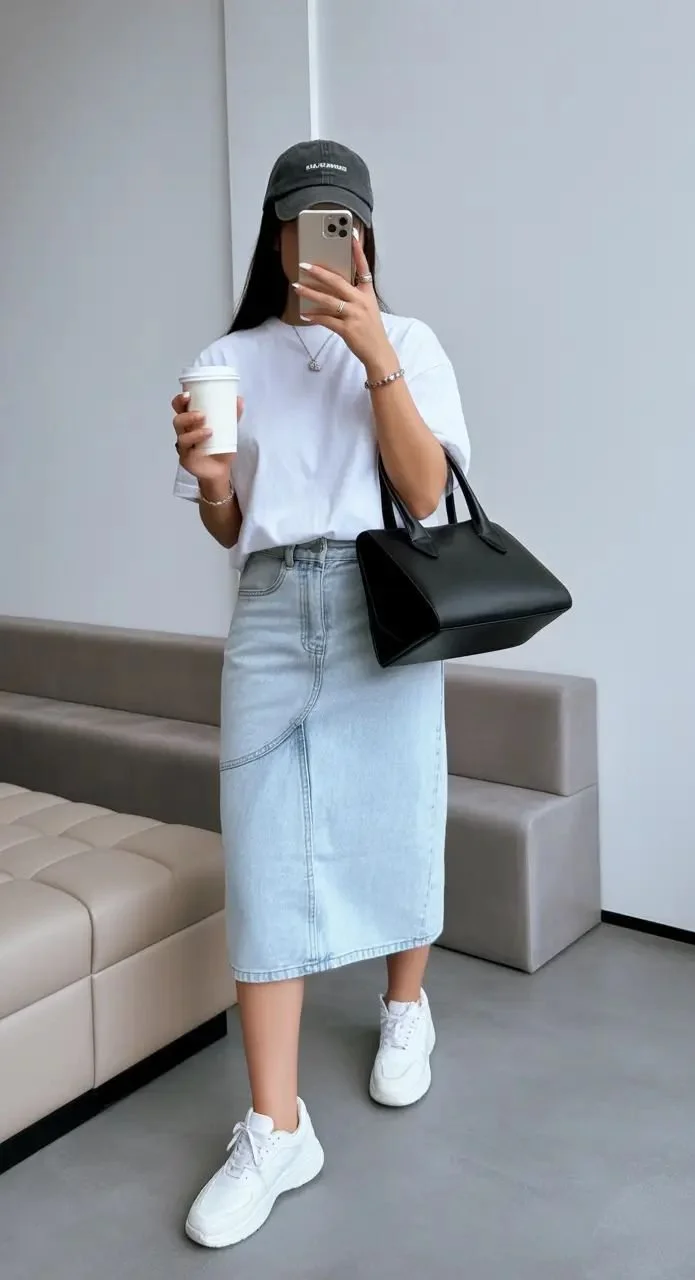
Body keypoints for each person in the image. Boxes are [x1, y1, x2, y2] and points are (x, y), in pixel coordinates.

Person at [172, 139, 470, 1248]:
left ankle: (404, 1006)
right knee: (260, 853)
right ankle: (275, 1124)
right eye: (305, 222)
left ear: (368, 236)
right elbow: (226, 521)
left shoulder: (411, 343)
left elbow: (426, 488)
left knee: (398, 807)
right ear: (275, 234)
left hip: (381, 599)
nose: (322, 241)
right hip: (267, 609)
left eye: (342, 222)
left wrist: (371, 347)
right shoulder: (228, 352)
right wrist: (209, 482)